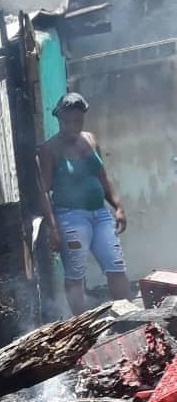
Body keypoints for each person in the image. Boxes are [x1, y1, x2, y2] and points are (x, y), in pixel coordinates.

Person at [37, 92, 130, 314]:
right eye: (67, 121)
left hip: (100, 215)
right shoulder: (49, 150)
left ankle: (129, 318)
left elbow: (103, 178)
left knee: (116, 265)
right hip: (70, 217)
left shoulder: (90, 140)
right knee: (76, 273)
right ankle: (82, 325)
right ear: (59, 119)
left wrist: (118, 207)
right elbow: (43, 192)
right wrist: (53, 228)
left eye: (77, 121)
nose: (72, 126)